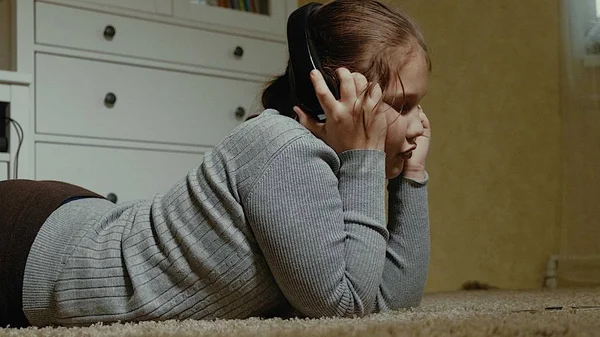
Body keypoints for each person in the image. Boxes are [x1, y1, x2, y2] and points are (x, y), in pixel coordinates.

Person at [0, 0, 432, 328]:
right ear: (333, 97)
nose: (421, 124)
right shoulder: (284, 148)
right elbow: (344, 308)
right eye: (403, 104)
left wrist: (410, 180)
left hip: (82, 218)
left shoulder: (334, 164)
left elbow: (387, 300)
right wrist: (364, 161)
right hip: (27, 245)